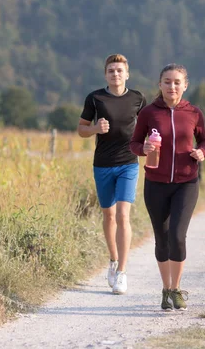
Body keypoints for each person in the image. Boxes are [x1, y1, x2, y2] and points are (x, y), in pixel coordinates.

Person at [130, 63, 205, 311]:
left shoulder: (194, 112)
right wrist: (142, 149)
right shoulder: (148, 113)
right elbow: (133, 143)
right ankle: (165, 290)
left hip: (187, 182)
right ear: (160, 85)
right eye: (167, 81)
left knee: (177, 235)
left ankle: (176, 289)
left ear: (185, 85)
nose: (172, 86)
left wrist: (201, 151)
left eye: (177, 82)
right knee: (162, 238)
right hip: (156, 183)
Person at [77, 54, 146, 295]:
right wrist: (95, 128)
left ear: (127, 74)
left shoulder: (138, 98)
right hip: (103, 164)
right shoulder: (95, 98)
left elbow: (149, 125)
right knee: (109, 215)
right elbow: (81, 129)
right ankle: (114, 260)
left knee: (123, 215)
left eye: (119, 70)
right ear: (105, 74)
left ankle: (123, 273)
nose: (115, 74)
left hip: (129, 162)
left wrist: (150, 142)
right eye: (111, 71)